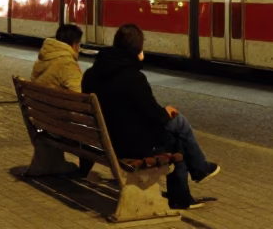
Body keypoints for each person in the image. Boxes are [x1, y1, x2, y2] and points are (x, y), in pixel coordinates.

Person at [82, 24, 219, 210]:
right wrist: (166, 111)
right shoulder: (133, 77)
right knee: (177, 126)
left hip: (103, 141)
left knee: (175, 132)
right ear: (137, 49)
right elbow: (155, 116)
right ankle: (195, 175)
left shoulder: (91, 74)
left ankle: (191, 182)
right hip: (128, 146)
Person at [33, 24, 92, 177]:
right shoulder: (66, 63)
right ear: (74, 44)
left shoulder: (44, 58)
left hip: (41, 120)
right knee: (93, 127)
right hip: (59, 127)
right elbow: (81, 97)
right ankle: (83, 171)